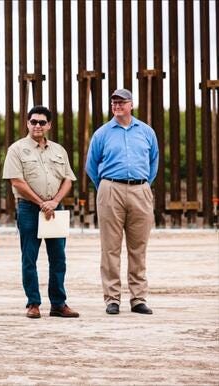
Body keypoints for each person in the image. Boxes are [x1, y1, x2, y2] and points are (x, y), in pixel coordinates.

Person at [85, 88, 159, 316]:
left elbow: (153, 161)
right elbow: (91, 165)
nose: (117, 106)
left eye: (121, 102)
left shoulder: (146, 132)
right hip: (110, 189)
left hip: (140, 189)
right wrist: (106, 187)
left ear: (131, 104)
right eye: (114, 102)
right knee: (110, 248)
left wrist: (143, 184)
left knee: (138, 247)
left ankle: (138, 299)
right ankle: (112, 299)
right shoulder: (102, 133)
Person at [2, 105, 79, 319]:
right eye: (33, 121)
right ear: (27, 123)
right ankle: (33, 304)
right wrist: (41, 202)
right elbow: (17, 181)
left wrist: (54, 201)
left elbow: (68, 179)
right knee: (29, 258)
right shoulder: (17, 149)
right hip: (29, 209)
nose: (37, 125)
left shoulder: (58, 150)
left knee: (58, 258)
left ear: (49, 125)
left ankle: (58, 303)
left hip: (55, 209)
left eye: (42, 122)